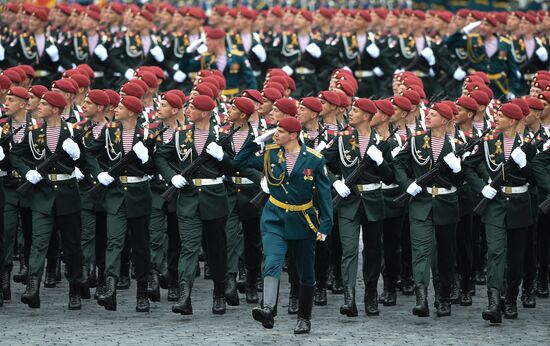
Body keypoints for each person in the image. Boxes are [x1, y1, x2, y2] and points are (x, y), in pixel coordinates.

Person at [233, 116, 333, 334]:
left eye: (280, 131)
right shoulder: (270, 153)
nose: (275, 134)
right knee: (272, 260)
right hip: (274, 218)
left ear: (294, 135)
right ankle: (268, 308)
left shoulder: (314, 159)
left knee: (306, 271)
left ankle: (304, 318)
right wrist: (255, 142)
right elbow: (239, 162)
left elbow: (325, 195)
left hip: (303, 220)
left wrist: (326, 225)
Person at [156, 95, 230, 316]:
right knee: (188, 248)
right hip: (188, 198)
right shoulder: (180, 135)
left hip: (214, 197)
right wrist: (171, 176)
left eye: (193, 108)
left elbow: (234, 167)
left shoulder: (221, 135)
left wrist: (222, 157)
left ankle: (218, 294)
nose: (187, 111)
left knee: (216, 249)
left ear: (205, 113)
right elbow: (161, 157)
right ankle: (184, 296)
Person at [463, 103, 537, 323]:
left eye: (501, 115)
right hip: (495, 205)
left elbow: (536, 180)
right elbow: (468, 166)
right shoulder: (488, 144)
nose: (496, 117)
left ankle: (511, 299)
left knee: (516, 256)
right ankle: (493, 302)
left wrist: (525, 166)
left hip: (520, 205)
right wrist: (480, 187)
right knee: (496, 252)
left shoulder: (528, 146)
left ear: (512, 121)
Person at [10, 91, 84, 310]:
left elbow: (88, 160)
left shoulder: (72, 130)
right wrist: (27, 172)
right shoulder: (33, 132)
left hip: (67, 194)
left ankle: (75, 290)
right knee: (38, 243)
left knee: (71, 247)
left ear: (56, 109)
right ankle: (33, 288)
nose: (38, 106)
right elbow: (16, 154)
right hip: (42, 194)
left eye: (44, 103)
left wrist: (78, 157)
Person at [394, 102, 464, 318]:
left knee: (445, 254)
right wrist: (408, 184)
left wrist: (457, 168)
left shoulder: (457, 144)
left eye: (433, 114)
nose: (427, 116)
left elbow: (461, 181)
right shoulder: (415, 141)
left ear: (444, 120)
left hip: (446, 204)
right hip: (421, 203)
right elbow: (398, 164)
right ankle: (421, 298)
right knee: (421, 252)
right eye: (428, 113)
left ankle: (443, 298)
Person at [85, 95, 154, 312]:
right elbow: (89, 152)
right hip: (115, 195)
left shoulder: (147, 134)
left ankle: (142, 293)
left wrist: (146, 160)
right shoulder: (109, 131)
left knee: (141, 247)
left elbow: (155, 168)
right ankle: (110, 289)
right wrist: (99, 174)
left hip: (139, 195)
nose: (117, 109)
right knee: (114, 242)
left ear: (132, 112)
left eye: (122, 107)